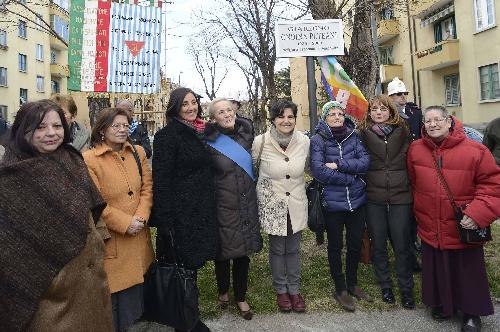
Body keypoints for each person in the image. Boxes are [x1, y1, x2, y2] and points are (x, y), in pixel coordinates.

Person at [0, 100, 113, 331]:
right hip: (46, 295)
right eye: (40, 127)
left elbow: (93, 209)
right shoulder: (9, 178)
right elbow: (9, 246)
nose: (51, 133)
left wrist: (99, 244)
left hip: (91, 283)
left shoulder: (72, 160)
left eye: (57, 126)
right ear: (23, 130)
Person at [407, 105, 500, 331]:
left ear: (449, 122)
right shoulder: (415, 149)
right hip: (430, 221)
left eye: (438, 119)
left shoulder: (476, 150)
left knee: (467, 269)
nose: (433, 124)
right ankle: (443, 304)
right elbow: (413, 183)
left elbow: (492, 186)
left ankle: (471, 313)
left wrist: (477, 214)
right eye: (428, 121)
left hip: (463, 224)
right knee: (437, 265)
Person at [150, 87, 218, 332]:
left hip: (200, 210)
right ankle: (187, 321)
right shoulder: (167, 136)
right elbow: (161, 179)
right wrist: (165, 221)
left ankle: (188, 315)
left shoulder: (201, 132)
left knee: (191, 269)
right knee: (182, 268)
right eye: (185, 104)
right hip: (180, 215)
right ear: (175, 108)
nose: (191, 108)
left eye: (194, 103)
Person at [83, 107, 154, 332]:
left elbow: (147, 189)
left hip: (138, 234)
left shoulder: (138, 152)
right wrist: (125, 223)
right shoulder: (89, 159)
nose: (123, 130)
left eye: (126, 125)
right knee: (113, 300)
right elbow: (96, 202)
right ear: (102, 130)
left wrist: (140, 218)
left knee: (133, 300)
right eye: (116, 126)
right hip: (113, 239)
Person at [310, 101, 372, 312]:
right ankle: (340, 288)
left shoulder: (354, 136)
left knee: (355, 243)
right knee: (335, 246)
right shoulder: (318, 140)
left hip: (357, 201)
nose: (337, 117)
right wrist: (350, 178)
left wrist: (339, 165)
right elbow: (318, 171)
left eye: (339, 114)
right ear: (325, 118)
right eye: (332, 114)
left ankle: (352, 283)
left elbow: (365, 162)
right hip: (332, 203)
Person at [205, 98, 262, 320]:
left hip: (246, 203)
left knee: (242, 254)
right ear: (213, 118)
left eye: (229, 109)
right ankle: (222, 291)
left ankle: (240, 296)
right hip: (221, 205)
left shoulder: (247, 135)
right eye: (221, 111)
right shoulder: (207, 142)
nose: (227, 114)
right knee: (223, 253)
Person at [251, 99, 309, 313]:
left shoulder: (304, 141)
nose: (286, 121)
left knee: (293, 249)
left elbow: (311, 166)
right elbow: (252, 168)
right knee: (277, 249)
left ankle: (294, 290)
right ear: (273, 119)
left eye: (290, 117)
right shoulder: (261, 141)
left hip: (295, 201)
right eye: (281, 116)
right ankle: (281, 290)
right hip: (272, 202)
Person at [358, 94, 415, 309]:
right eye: (374, 109)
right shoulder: (362, 133)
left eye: (383, 108)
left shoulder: (403, 131)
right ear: (369, 113)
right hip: (374, 197)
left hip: (401, 196)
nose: (378, 112)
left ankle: (406, 288)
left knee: (402, 245)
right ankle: (386, 286)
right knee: (379, 245)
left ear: (391, 111)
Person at [388, 77, 422, 271]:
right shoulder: (387, 115)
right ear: (390, 97)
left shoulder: (414, 113)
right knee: (401, 216)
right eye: (398, 94)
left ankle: (414, 243)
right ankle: (405, 251)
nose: (402, 97)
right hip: (397, 169)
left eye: (404, 94)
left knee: (414, 213)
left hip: (415, 168)